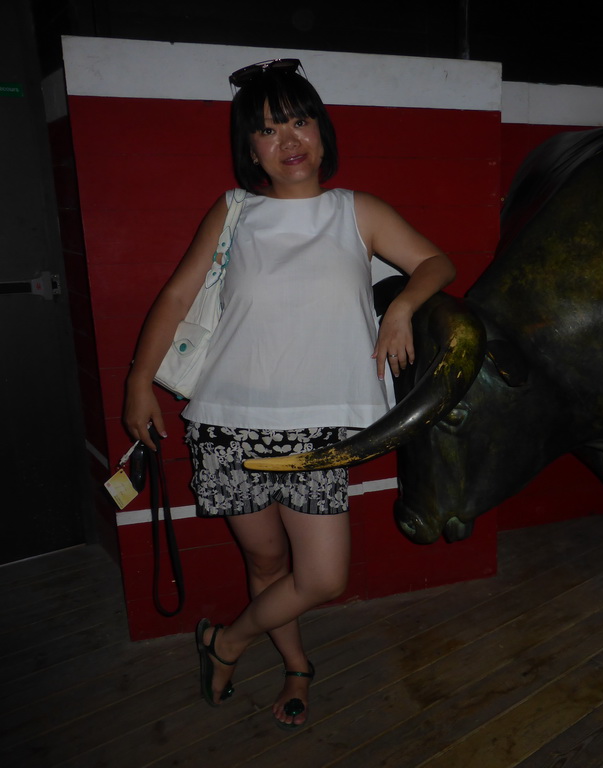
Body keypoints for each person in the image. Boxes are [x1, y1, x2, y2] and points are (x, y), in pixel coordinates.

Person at [123, 59, 455, 729]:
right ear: (251, 150)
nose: (289, 139)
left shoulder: (355, 212)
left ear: (323, 134)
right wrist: (137, 381)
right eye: (268, 129)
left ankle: (227, 640)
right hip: (228, 423)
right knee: (266, 561)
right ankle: (297, 665)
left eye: (299, 121)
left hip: (317, 433)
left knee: (324, 576)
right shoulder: (234, 211)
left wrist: (401, 308)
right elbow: (178, 295)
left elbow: (437, 262)